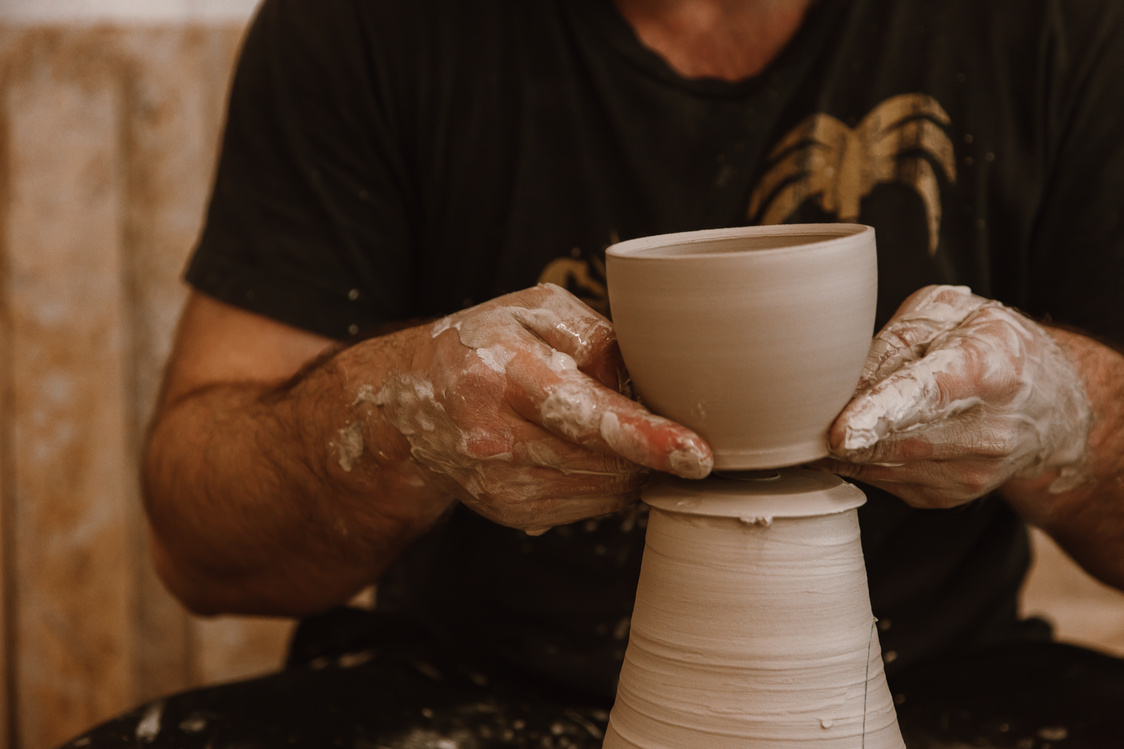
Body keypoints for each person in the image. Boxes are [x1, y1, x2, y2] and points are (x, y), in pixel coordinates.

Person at [67, 0, 1124, 746]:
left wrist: (1069, 419)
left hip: (928, 678)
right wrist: (397, 414)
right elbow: (198, 541)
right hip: (460, 681)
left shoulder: (1054, 22)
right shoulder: (362, 22)